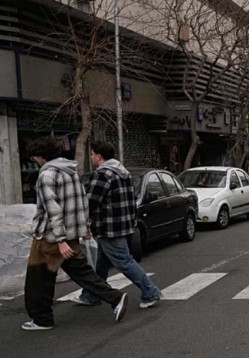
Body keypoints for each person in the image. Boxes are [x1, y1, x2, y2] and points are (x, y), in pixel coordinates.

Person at [21, 137, 128, 331]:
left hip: (50, 237)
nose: (35, 160)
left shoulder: (46, 176)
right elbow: (82, 201)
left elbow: (52, 209)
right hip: (70, 234)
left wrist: (60, 240)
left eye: (35, 157)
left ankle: (42, 319)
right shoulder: (71, 171)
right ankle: (115, 297)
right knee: (83, 273)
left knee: (38, 280)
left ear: (40, 156)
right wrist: (84, 227)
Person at [71, 141, 162, 309]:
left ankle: (151, 292)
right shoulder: (123, 172)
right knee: (101, 264)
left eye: (91, 154)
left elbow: (89, 203)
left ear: (98, 156)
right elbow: (130, 200)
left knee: (124, 261)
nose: (90, 157)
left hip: (109, 228)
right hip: (123, 225)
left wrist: (83, 225)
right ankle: (91, 294)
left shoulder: (103, 174)